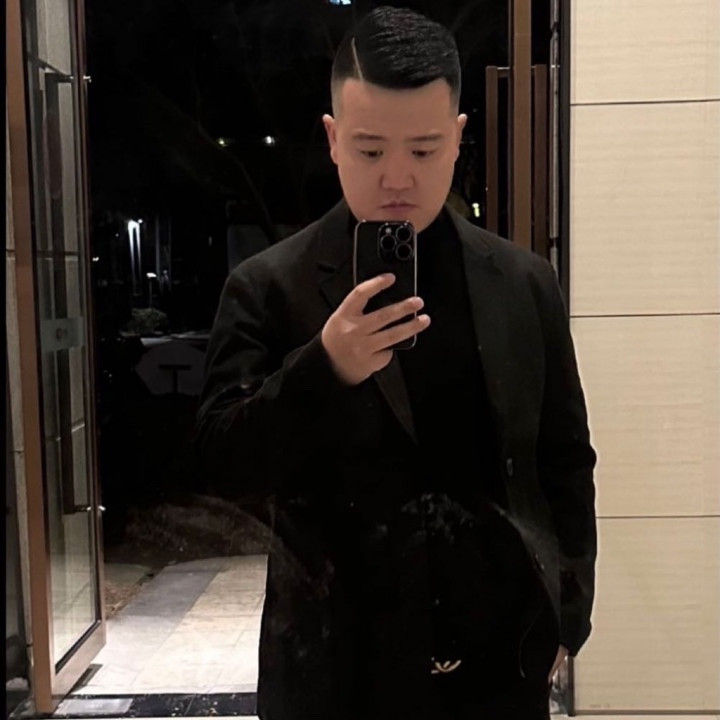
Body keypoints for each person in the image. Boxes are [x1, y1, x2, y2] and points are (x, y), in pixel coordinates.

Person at [196, 7, 597, 720]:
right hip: (334, 674)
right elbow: (222, 466)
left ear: (458, 139)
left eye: (424, 148)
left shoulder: (523, 283)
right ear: (333, 140)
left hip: (498, 670)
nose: (398, 177)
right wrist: (323, 368)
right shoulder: (267, 287)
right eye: (371, 149)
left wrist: (567, 612)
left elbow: (563, 459)